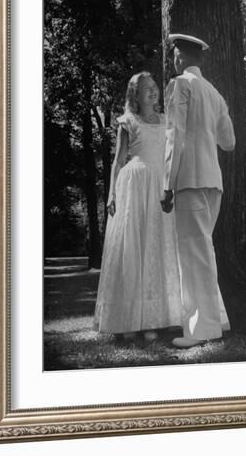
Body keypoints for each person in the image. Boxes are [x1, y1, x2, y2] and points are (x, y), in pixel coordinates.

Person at [94, 72, 182, 342]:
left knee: (157, 246)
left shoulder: (168, 120)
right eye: (146, 89)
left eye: (154, 87)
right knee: (133, 247)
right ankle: (129, 319)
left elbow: (172, 156)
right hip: (133, 186)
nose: (152, 92)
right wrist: (111, 195)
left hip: (160, 186)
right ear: (135, 95)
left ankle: (156, 319)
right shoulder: (127, 122)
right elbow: (118, 161)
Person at [161, 33, 236, 348]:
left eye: (175, 54)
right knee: (203, 252)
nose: (174, 59)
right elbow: (228, 143)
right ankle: (214, 321)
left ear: (180, 56)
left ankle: (200, 330)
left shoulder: (181, 85)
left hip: (190, 180)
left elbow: (174, 137)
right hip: (213, 182)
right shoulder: (215, 93)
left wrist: (166, 184)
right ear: (200, 58)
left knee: (194, 257)